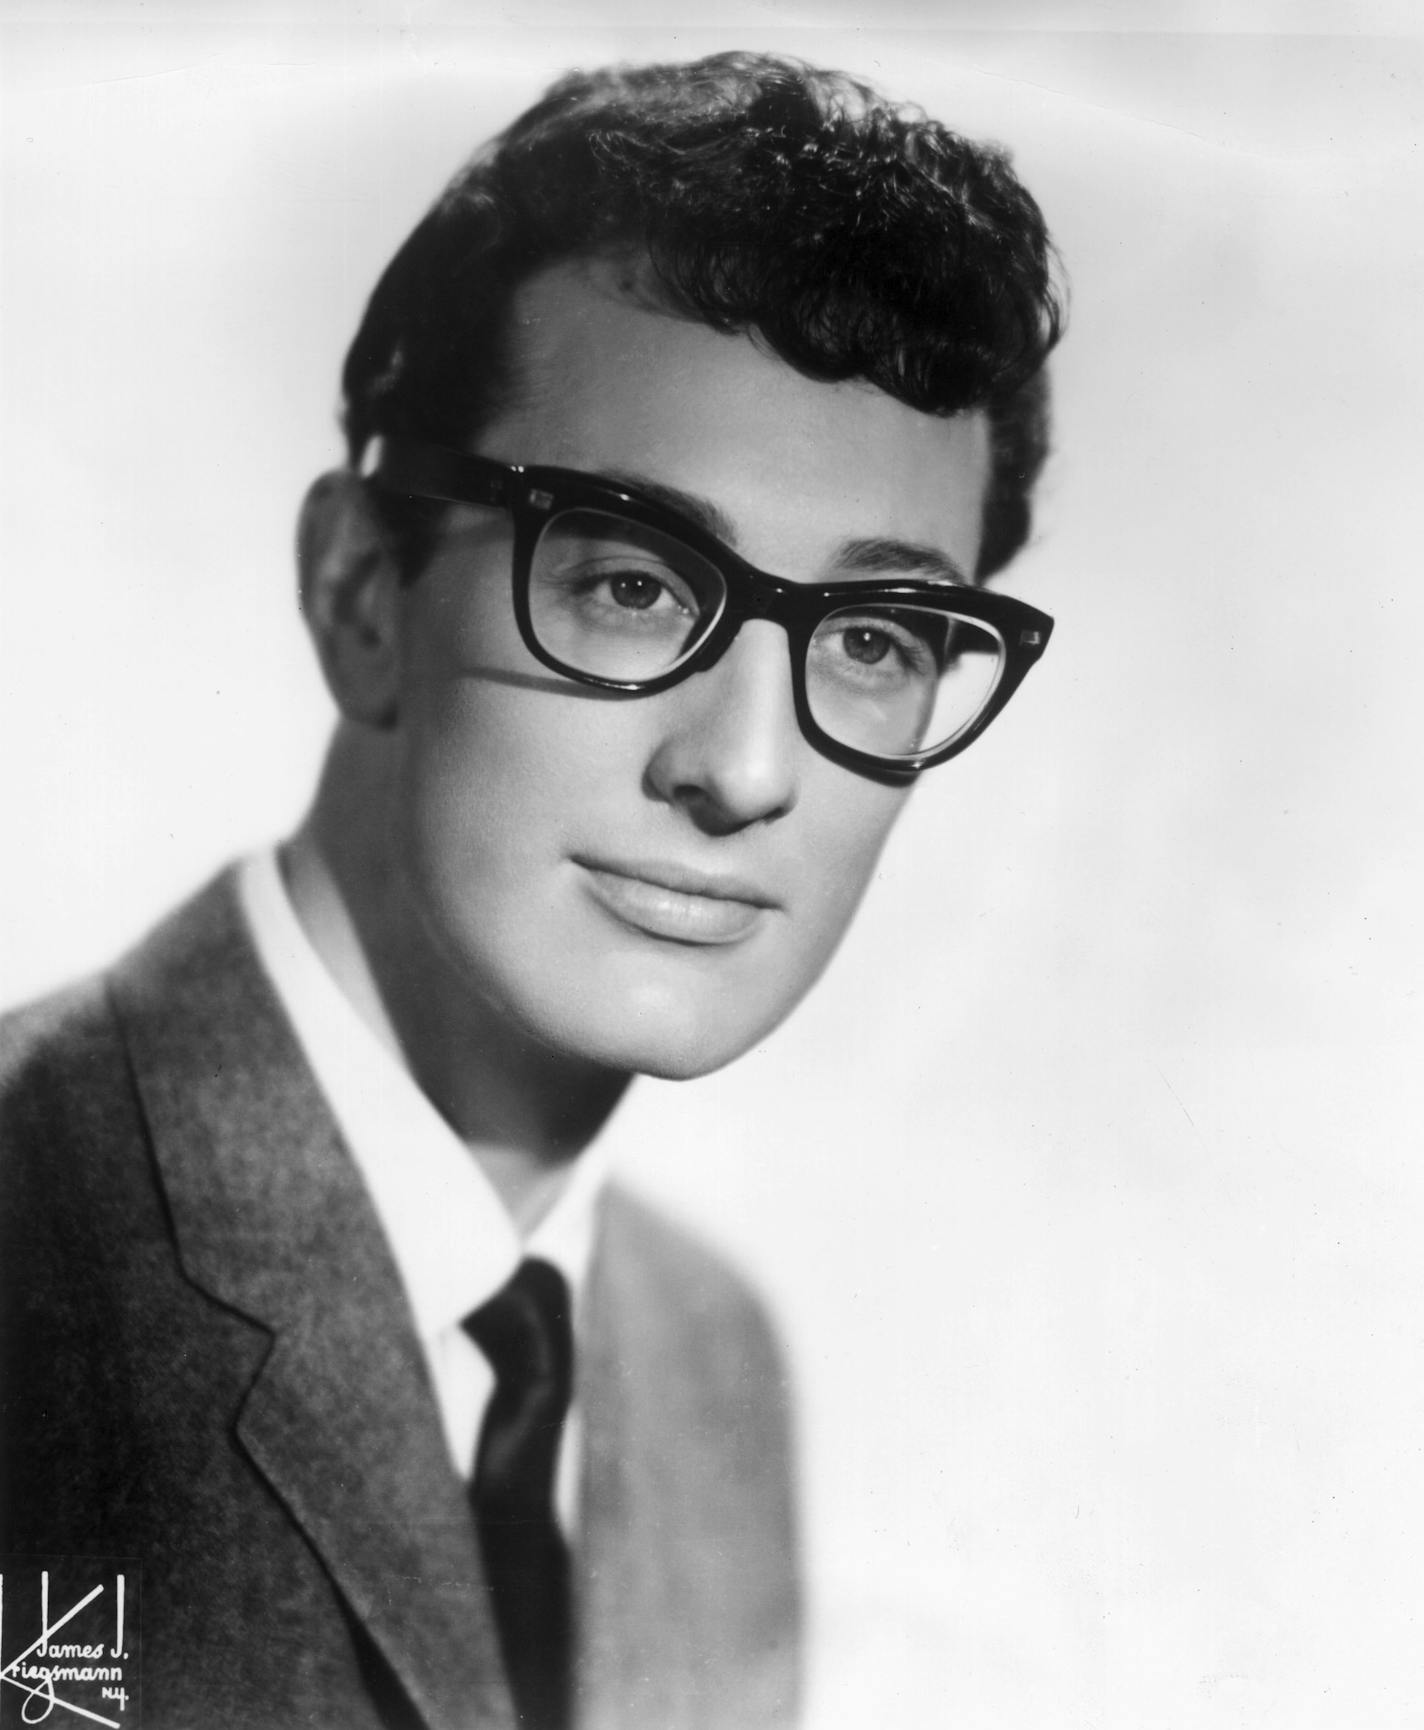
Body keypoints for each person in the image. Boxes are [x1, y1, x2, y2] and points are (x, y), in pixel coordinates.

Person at [0, 49, 1062, 1730]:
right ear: (361, 589)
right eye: (636, 581)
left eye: (873, 640)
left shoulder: (708, 1365)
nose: (748, 770)